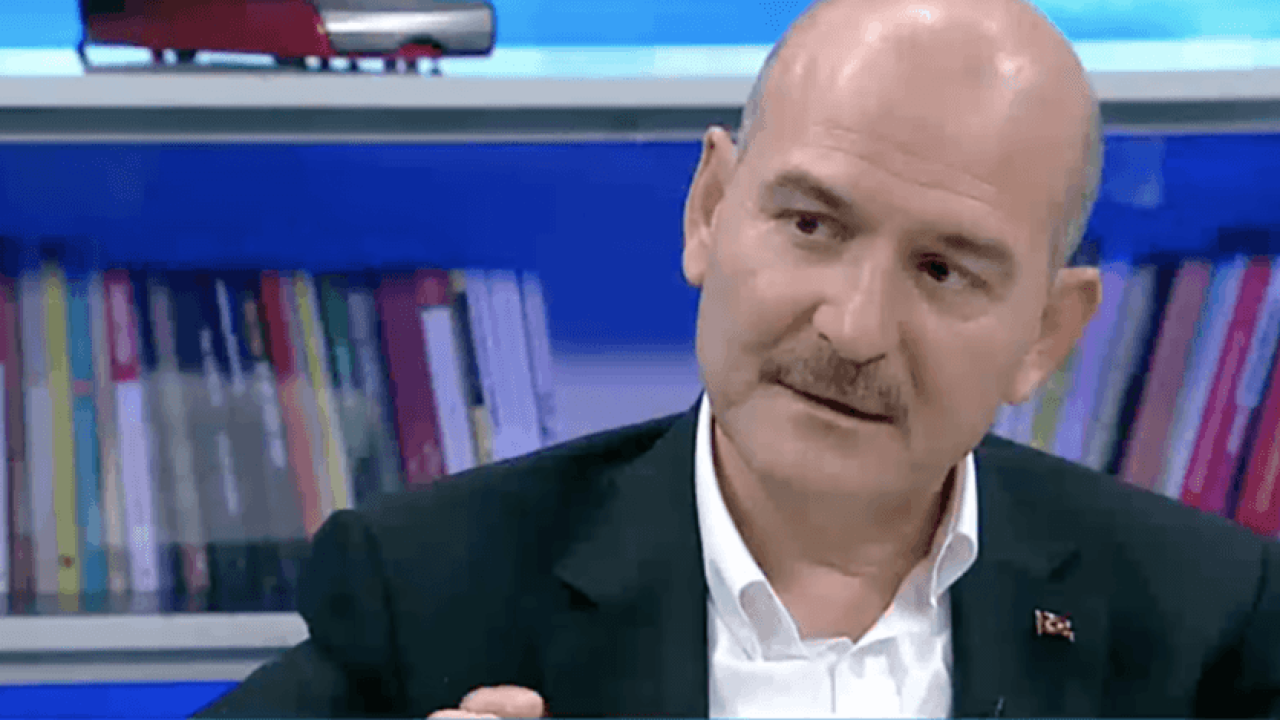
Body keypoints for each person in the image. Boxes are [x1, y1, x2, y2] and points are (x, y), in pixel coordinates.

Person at [195, 0, 1280, 716]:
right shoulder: (432, 593)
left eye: (944, 270)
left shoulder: (1208, 625)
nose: (852, 327)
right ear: (710, 209)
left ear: (1044, 333)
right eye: (811, 225)